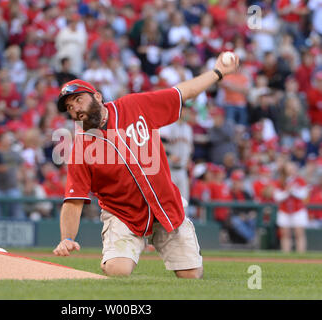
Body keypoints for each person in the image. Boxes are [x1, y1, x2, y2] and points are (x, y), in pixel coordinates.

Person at [53, 51, 239, 278]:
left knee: (191, 276)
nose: (76, 109)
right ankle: (112, 258)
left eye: (78, 100)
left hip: (165, 206)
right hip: (124, 215)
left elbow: (181, 93)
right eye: (70, 107)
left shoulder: (134, 105)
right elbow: (73, 200)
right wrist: (67, 238)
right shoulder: (80, 149)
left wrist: (218, 72)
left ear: (98, 97)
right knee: (117, 270)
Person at [273, 161, 309, 253]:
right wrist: (287, 192)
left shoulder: (300, 180)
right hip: (284, 210)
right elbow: (277, 196)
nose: (291, 171)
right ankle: (286, 254)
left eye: (292, 168)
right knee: (285, 234)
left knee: (299, 233)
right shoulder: (280, 181)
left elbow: (304, 194)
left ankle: (301, 254)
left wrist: (293, 191)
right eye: (289, 169)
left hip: (298, 210)